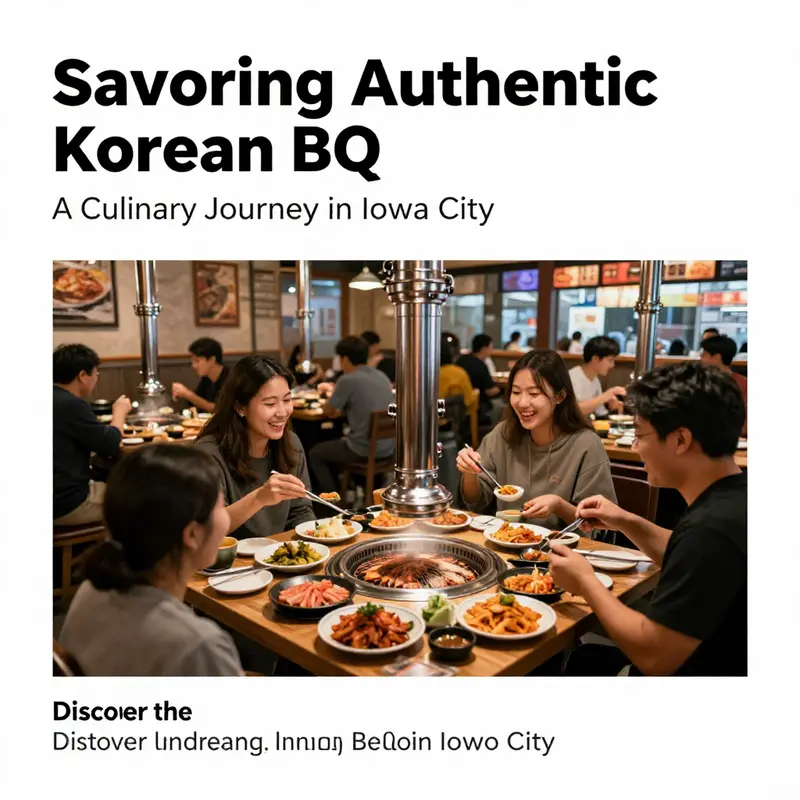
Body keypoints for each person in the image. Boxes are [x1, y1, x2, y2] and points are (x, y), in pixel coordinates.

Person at [549, 363, 746, 676]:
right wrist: (626, 520)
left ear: (680, 440)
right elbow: (685, 554)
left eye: (640, 434)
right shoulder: (736, 497)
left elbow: (654, 657)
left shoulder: (711, 530)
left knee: (555, 667)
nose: (635, 446)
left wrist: (585, 581)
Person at [59, 445, 244, 676]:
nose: (226, 517)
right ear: (192, 535)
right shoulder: (197, 646)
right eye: (221, 505)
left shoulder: (91, 589)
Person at [456, 349, 616, 529]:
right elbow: (475, 502)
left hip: (564, 552)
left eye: (534, 394)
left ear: (560, 396)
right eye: (516, 392)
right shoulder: (503, 434)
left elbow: (599, 524)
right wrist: (469, 472)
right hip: (505, 542)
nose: (523, 403)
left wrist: (559, 506)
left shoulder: (586, 445)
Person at [195, 356, 314, 539]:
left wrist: (313, 543)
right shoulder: (209, 454)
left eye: (287, 399)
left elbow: (301, 511)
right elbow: (208, 528)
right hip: (230, 563)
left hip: (279, 557)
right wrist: (259, 498)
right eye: (270, 404)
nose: (282, 412)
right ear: (240, 407)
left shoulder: (291, 443)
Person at [53, 344, 131, 524]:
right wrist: (119, 412)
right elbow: (110, 444)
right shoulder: (71, 404)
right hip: (67, 504)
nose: (97, 379)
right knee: (138, 500)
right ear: (82, 375)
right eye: (96, 374)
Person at [309, 335, 395, 493]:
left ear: (345, 359)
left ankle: (331, 501)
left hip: (363, 449)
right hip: (388, 448)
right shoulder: (381, 376)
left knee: (315, 453)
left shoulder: (347, 380)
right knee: (332, 447)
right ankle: (349, 491)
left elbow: (328, 409)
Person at [568, 335, 627, 417]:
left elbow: (600, 413)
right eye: (610, 360)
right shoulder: (573, 377)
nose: (612, 365)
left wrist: (613, 408)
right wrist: (605, 396)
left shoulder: (595, 380)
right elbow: (571, 411)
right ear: (595, 358)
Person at [700, 335, 747, 435]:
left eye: (704, 355)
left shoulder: (744, 385)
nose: (701, 359)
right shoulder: (699, 381)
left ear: (716, 357)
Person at [172, 338, 229, 413]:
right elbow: (196, 403)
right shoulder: (206, 379)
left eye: (197, 361)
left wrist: (187, 394)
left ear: (212, 360)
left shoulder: (230, 378)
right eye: (192, 361)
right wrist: (180, 395)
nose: (193, 365)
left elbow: (218, 409)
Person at [456, 334, 502, 423]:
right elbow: (490, 391)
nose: (491, 351)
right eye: (490, 348)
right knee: (501, 405)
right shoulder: (480, 365)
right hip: (475, 405)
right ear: (484, 349)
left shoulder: (461, 359)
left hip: (458, 406)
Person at [439, 332, 478, 419]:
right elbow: (469, 401)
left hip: (425, 420)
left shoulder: (421, 376)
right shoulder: (458, 373)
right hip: (451, 421)